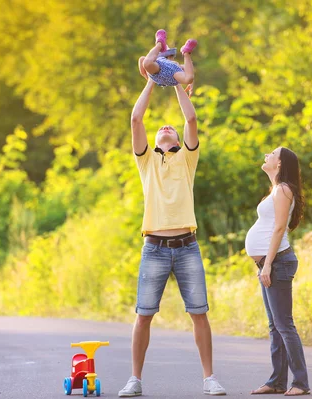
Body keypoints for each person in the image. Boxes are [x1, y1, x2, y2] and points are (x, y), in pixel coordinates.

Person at [117, 61, 226, 397]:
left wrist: (178, 82)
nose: (165, 127)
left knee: (199, 314)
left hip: (187, 246)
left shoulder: (186, 160)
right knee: (144, 315)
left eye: (171, 129)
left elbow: (191, 119)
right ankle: (134, 379)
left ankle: (209, 378)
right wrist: (152, 79)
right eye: (161, 128)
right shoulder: (146, 160)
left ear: (178, 140)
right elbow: (136, 119)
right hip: (154, 248)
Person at [245, 147, 311, 396]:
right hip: (270, 263)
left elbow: (280, 227)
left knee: (284, 325)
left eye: (271, 154)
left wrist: (269, 263)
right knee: (275, 326)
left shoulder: (283, 190)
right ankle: (277, 381)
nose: (266, 156)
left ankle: (301, 383)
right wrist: (264, 264)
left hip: (278, 262)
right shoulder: (276, 189)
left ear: (280, 163)